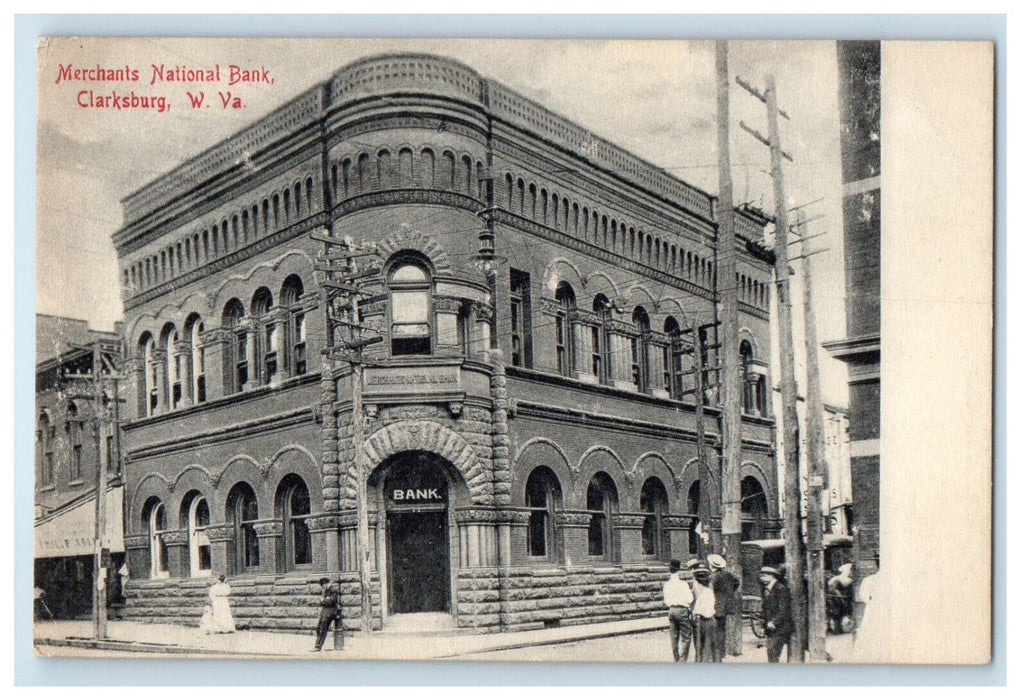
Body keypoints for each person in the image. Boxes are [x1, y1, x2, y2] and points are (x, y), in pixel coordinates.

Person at [708, 553, 739, 662]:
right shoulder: (728, 575)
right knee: (722, 631)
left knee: (715, 632)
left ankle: (717, 656)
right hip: (726, 607)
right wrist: (728, 594)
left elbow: (709, 591)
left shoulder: (712, 577)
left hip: (715, 607)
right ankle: (721, 653)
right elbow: (736, 583)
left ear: (711, 565)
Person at [662, 559, 694, 662]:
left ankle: (676, 658)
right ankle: (683, 659)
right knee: (686, 636)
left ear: (669, 571)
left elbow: (666, 601)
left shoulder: (667, 585)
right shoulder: (683, 584)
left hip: (671, 610)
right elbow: (690, 599)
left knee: (674, 636)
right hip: (682, 610)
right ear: (679, 570)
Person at [759, 565, 793, 662]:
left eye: (764, 576)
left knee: (772, 652)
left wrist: (774, 622)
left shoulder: (781, 589)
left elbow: (784, 609)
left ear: (772, 576)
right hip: (771, 627)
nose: (761, 578)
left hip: (780, 627)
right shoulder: (766, 589)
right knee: (771, 653)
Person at [691, 565, 718, 662]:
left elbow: (703, 610)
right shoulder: (709, 592)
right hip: (709, 620)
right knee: (709, 645)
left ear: (700, 584)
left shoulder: (704, 594)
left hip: (704, 620)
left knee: (702, 645)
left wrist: (695, 613)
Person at [312, 577, 340, 652]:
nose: (323, 587)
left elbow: (332, 601)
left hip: (330, 612)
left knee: (323, 628)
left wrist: (323, 600)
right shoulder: (325, 591)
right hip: (324, 611)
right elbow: (322, 601)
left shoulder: (333, 590)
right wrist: (324, 600)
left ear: (327, 584)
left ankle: (318, 646)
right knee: (318, 628)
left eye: (323, 585)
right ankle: (317, 644)